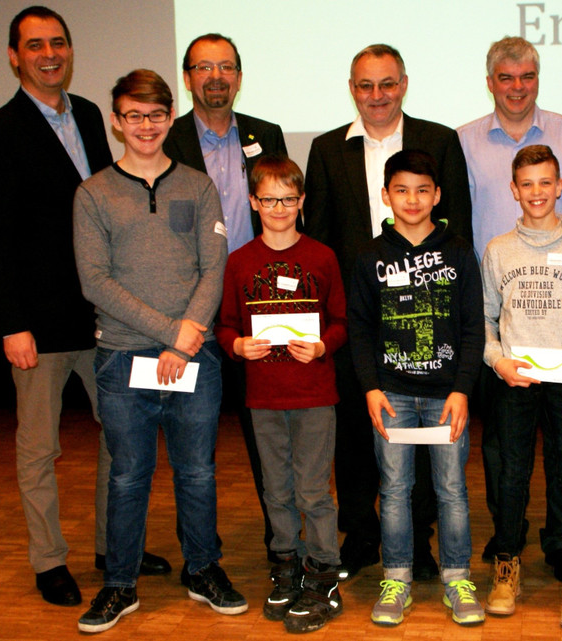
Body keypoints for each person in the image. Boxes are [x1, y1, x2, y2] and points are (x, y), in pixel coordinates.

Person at [0, 5, 168, 609]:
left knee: (121, 438)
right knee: (39, 449)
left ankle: (114, 548)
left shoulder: (86, 114)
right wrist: (12, 324)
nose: (49, 54)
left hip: (104, 316)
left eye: (58, 42)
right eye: (35, 45)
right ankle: (49, 560)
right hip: (39, 324)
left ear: (70, 50)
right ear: (14, 57)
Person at [73, 70, 239, 633]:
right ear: (117, 122)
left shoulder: (197, 185)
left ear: (171, 118)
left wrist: (187, 338)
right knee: (127, 477)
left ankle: (203, 569)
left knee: (197, 473)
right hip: (123, 359)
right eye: (134, 116)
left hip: (196, 358)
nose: (146, 126)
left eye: (156, 115)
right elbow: (95, 281)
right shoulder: (93, 193)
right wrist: (172, 332)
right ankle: (120, 584)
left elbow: (213, 266)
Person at [304, 43, 472, 580]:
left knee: (421, 443)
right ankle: (361, 534)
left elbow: (459, 224)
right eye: (365, 85)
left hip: (426, 321)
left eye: (387, 83)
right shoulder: (327, 149)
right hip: (360, 318)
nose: (376, 95)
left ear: (403, 84)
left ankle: (417, 542)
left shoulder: (439, 140)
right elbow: (318, 237)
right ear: (352, 89)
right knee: (358, 432)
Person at [458, 35, 562, 579]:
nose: (517, 87)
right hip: (504, 319)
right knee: (504, 455)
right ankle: (506, 541)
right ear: (490, 82)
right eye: (506, 77)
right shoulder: (464, 140)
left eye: (527, 76)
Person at [163, 32, 289, 567]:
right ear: (187, 76)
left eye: (226, 67)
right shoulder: (167, 139)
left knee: (268, 435)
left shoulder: (266, 134)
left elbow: (284, 213)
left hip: (258, 306)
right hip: (190, 309)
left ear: (239, 75)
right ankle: (199, 553)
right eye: (203, 67)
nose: (216, 77)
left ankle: (282, 542)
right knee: (192, 442)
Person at [348, 150, 485, 627]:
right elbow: (360, 329)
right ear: (386, 196)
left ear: (437, 195)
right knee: (394, 489)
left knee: (451, 489)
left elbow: (473, 329)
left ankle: (457, 578)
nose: (412, 199)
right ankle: (397, 578)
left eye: (423, 190)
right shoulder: (370, 256)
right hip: (392, 396)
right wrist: (371, 388)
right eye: (402, 190)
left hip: (447, 396)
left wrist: (462, 389)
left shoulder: (459, 251)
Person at [216, 154, 347, 632]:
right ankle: (286, 566)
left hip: (314, 395)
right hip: (264, 398)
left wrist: (322, 346)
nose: (278, 208)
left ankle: (324, 574)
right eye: (269, 200)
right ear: (254, 202)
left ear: (302, 201)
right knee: (276, 490)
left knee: (314, 491)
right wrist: (236, 345)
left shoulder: (322, 257)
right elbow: (225, 324)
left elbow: (341, 321)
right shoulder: (239, 262)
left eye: (288, 200)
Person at [480, 145, 562, 628]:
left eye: (545, 182)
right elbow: (485, 321)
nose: (537, 192)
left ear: (559, 186)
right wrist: (498, 361)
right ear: (514, 190)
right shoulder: (497, 250)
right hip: (515, 381)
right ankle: (506, 569)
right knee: (510, 476)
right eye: (527, 184)